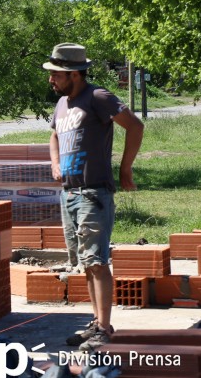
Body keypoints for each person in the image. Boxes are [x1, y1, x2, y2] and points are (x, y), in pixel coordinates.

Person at [44, 42, 144, 352]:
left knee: (98, 262)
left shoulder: (98, 97)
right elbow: (54, 135)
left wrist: (125, 169)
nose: (51, 81)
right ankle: (97, 322)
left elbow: (135, 126)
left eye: (56, 75)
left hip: (93, 193)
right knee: (86, 263)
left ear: (74, 74)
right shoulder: (63, 104)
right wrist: (56, 163)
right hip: (69, 194)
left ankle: (104, 328)